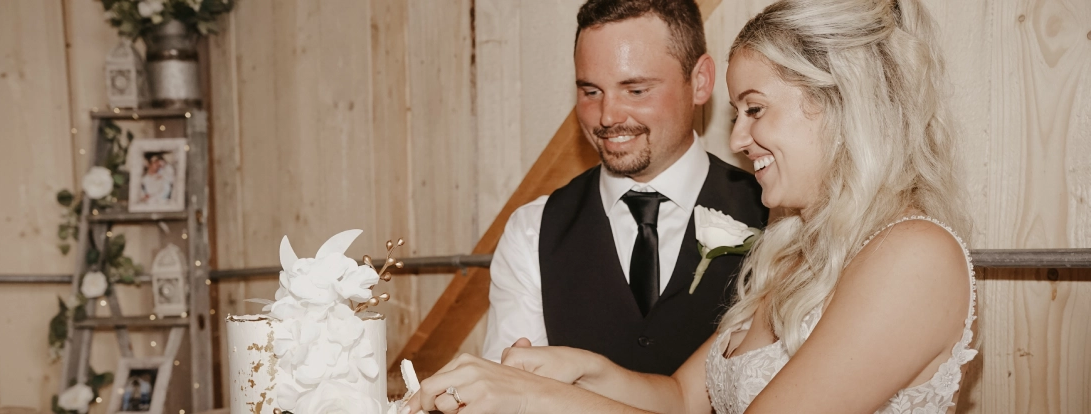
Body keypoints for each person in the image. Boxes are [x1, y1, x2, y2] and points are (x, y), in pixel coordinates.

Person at [406, 0, 976, 412]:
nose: (736, 139)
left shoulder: (914, 255)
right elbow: (681, 397)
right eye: (591, 89)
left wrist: (537, 400)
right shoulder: (799, 250)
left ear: (837, 104)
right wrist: (576, 370)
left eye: (754, 109)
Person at [482, 0, 769, 378]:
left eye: (635, 90)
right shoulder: (533, 231)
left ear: (699, 81)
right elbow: (508, 393)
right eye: (591, 92)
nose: (608, 116)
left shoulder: (777, 216)